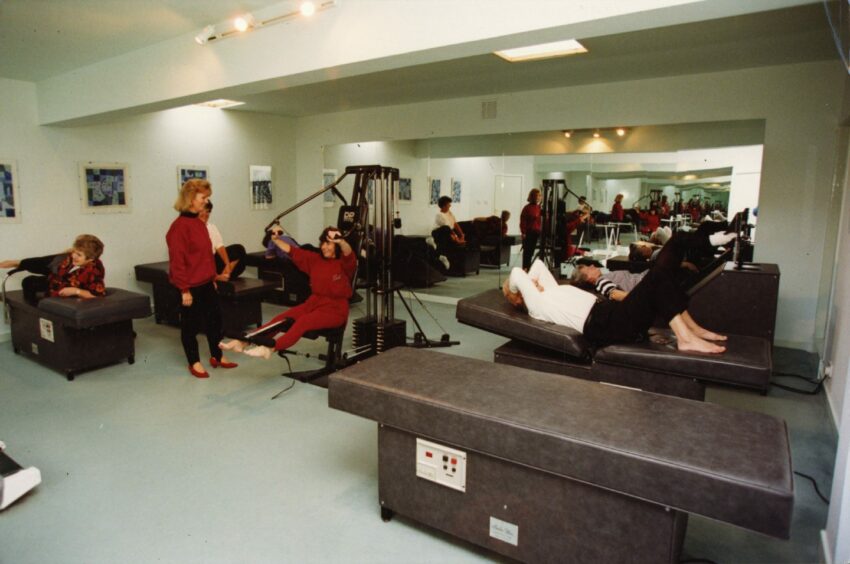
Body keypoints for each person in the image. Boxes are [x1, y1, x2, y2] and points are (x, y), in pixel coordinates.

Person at [503, 226, 738, 354]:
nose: (533, 281)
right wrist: (512, 291)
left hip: (613, 315)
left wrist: (533, 282)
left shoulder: (548, 291)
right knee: (657, 275)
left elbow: (537, 266)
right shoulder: (537, 305)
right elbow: (516, 275)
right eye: (529, 285)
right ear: (522, 295)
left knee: (664, 266)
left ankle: (693, 330)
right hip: (605, 324)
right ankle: (686, 339)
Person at [220, 226, 356, 359]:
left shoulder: (343, 264)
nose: (324, 247)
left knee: (303, 322)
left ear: (337, 246)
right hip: (314, 303)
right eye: (323, 243)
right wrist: (276, 239)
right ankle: (244, 341)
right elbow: (292, 251)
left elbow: (348, 253)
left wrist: (341, 241)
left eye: (329, 244)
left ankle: (271, 348)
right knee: (281, 319)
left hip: (335, 310)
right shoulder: (315, 259)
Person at [166, 178, 237, 379]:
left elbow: (205, 256)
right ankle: (194, 362)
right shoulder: (179, 227)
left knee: (215, 322)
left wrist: (213, 277)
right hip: (189, 287)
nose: (206, 201)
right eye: (203, 197)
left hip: (206, 283)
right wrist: (184, 289)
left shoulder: (198, 223)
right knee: (191, 326)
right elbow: (177, 262)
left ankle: (217, 355)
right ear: (190, 199)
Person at [0, 234, 106, 303]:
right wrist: (73, 252)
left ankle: (38, 311)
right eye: (74, 252)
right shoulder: (73, 257)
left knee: (30, 280)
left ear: (91, 259)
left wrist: (77, 291)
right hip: (57, 276)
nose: (74, 256)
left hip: (62, 288)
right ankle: (20, 263)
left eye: (78, 254)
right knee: (33, 274)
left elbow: (97, 295)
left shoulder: (94, 272)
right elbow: (68, 256)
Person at [199, 201, 246, 282]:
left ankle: (224, 276)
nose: (205, 214)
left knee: (239, 250)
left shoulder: (212, 227)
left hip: (213, 261)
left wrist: (227, 265)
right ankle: (215, 278)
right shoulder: (192, 229)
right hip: (202, 264)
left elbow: (220, 246)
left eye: (208, 211)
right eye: (202, 211)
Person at [520, 188, 542, 270]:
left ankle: (529, 269)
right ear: (534, 196)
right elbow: (523, 221)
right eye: (538, 195)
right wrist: (523, 232)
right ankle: (525, 269)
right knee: (527, 253)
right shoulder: (527, 208)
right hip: (529, 233)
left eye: (540, 195)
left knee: (531, 252)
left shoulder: (539, 207)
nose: (540, 197)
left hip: (537, 233)